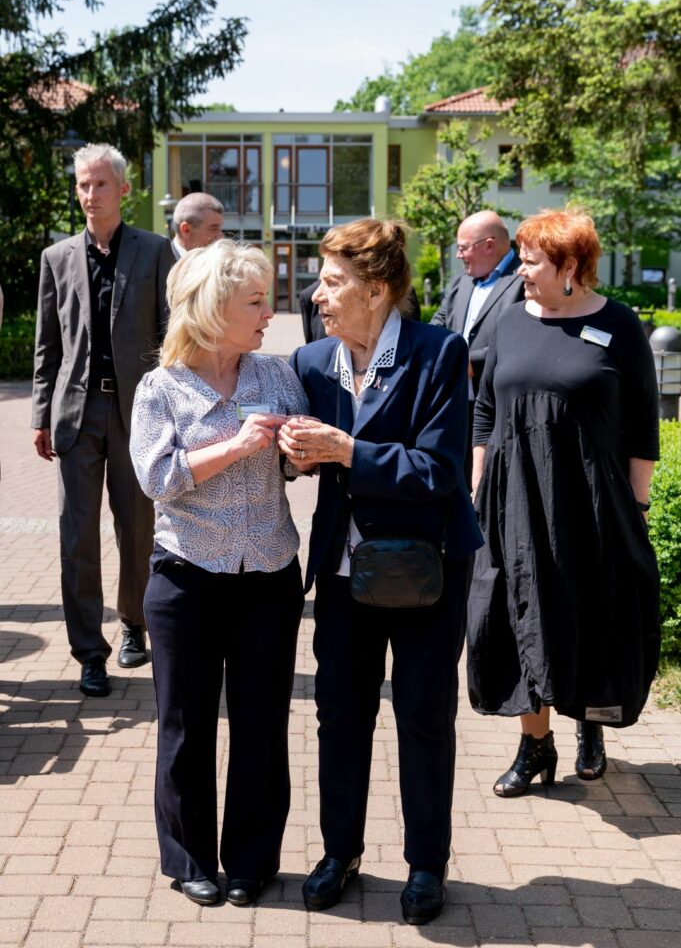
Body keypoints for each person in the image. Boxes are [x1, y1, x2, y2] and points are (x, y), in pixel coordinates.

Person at [278, 218, 482, 925]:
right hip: (342, 573)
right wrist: (292, 455)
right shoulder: (310, 362)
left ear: (378, 290)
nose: (318, 294)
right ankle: (340, 852)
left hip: (427, 569)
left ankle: (426, 864)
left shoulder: (437, 353)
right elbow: (300, 460)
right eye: (321, 281)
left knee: (424, 717)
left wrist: (345, 449)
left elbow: (439, 472)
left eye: (332, 282)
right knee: (340, 716)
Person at [130, 239, 308, 908]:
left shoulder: (277, 374)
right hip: (187, 578)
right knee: (185, 725)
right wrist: (236, 445)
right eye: (256, 302)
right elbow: (157, 479)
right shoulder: (162, 387)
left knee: (262, 724)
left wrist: (298, 453)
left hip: (267, 573)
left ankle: (253, 861)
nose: (270, 312)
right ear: (211, 310)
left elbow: (295, 467)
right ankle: (189, 858)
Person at [467, 207, 660, 797]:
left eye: (531, 261)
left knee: (592, 613)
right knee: (518, 613)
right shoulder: (509, 320)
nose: (519, 270)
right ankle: (535, 745)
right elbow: (484, 412)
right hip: (514, 496)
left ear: (571, 265)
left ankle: (590, 725)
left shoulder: (620, 326)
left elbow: (643, 428)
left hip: (594, 501)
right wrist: (480, 491)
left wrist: (637, 508)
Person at [31, 143, 174, 696]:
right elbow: (47, 346)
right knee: (76, 537)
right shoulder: (57, 257)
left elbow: (171, 335)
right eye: (83, 185)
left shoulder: (155, 251)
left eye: (100, 185)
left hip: (136, 412)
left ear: (123, 190)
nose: (90, 194)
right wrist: (42, 414)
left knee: (136, 527)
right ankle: (90, 651)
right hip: (76, 415)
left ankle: (134, 623)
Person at [431, 210, 524, 486]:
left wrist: (469, 359)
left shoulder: (523, 281)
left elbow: (520, 339)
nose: (459, 255)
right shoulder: (462, 280)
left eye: (463, 247)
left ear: (489, 245)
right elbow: (439, 322)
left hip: (496, 406)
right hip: (455, 402)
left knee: (489, 485)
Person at [300, 277, 421, 343]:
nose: (316, 297)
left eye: (334, 283)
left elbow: (412, 337)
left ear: (375, 292)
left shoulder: (403, 293)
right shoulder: (305, 360)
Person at [171, 192, 224, 258]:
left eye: (220, 228)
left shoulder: (219, 264)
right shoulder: (159, 264)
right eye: (214, 229)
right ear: (186, 230)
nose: (220, 237)